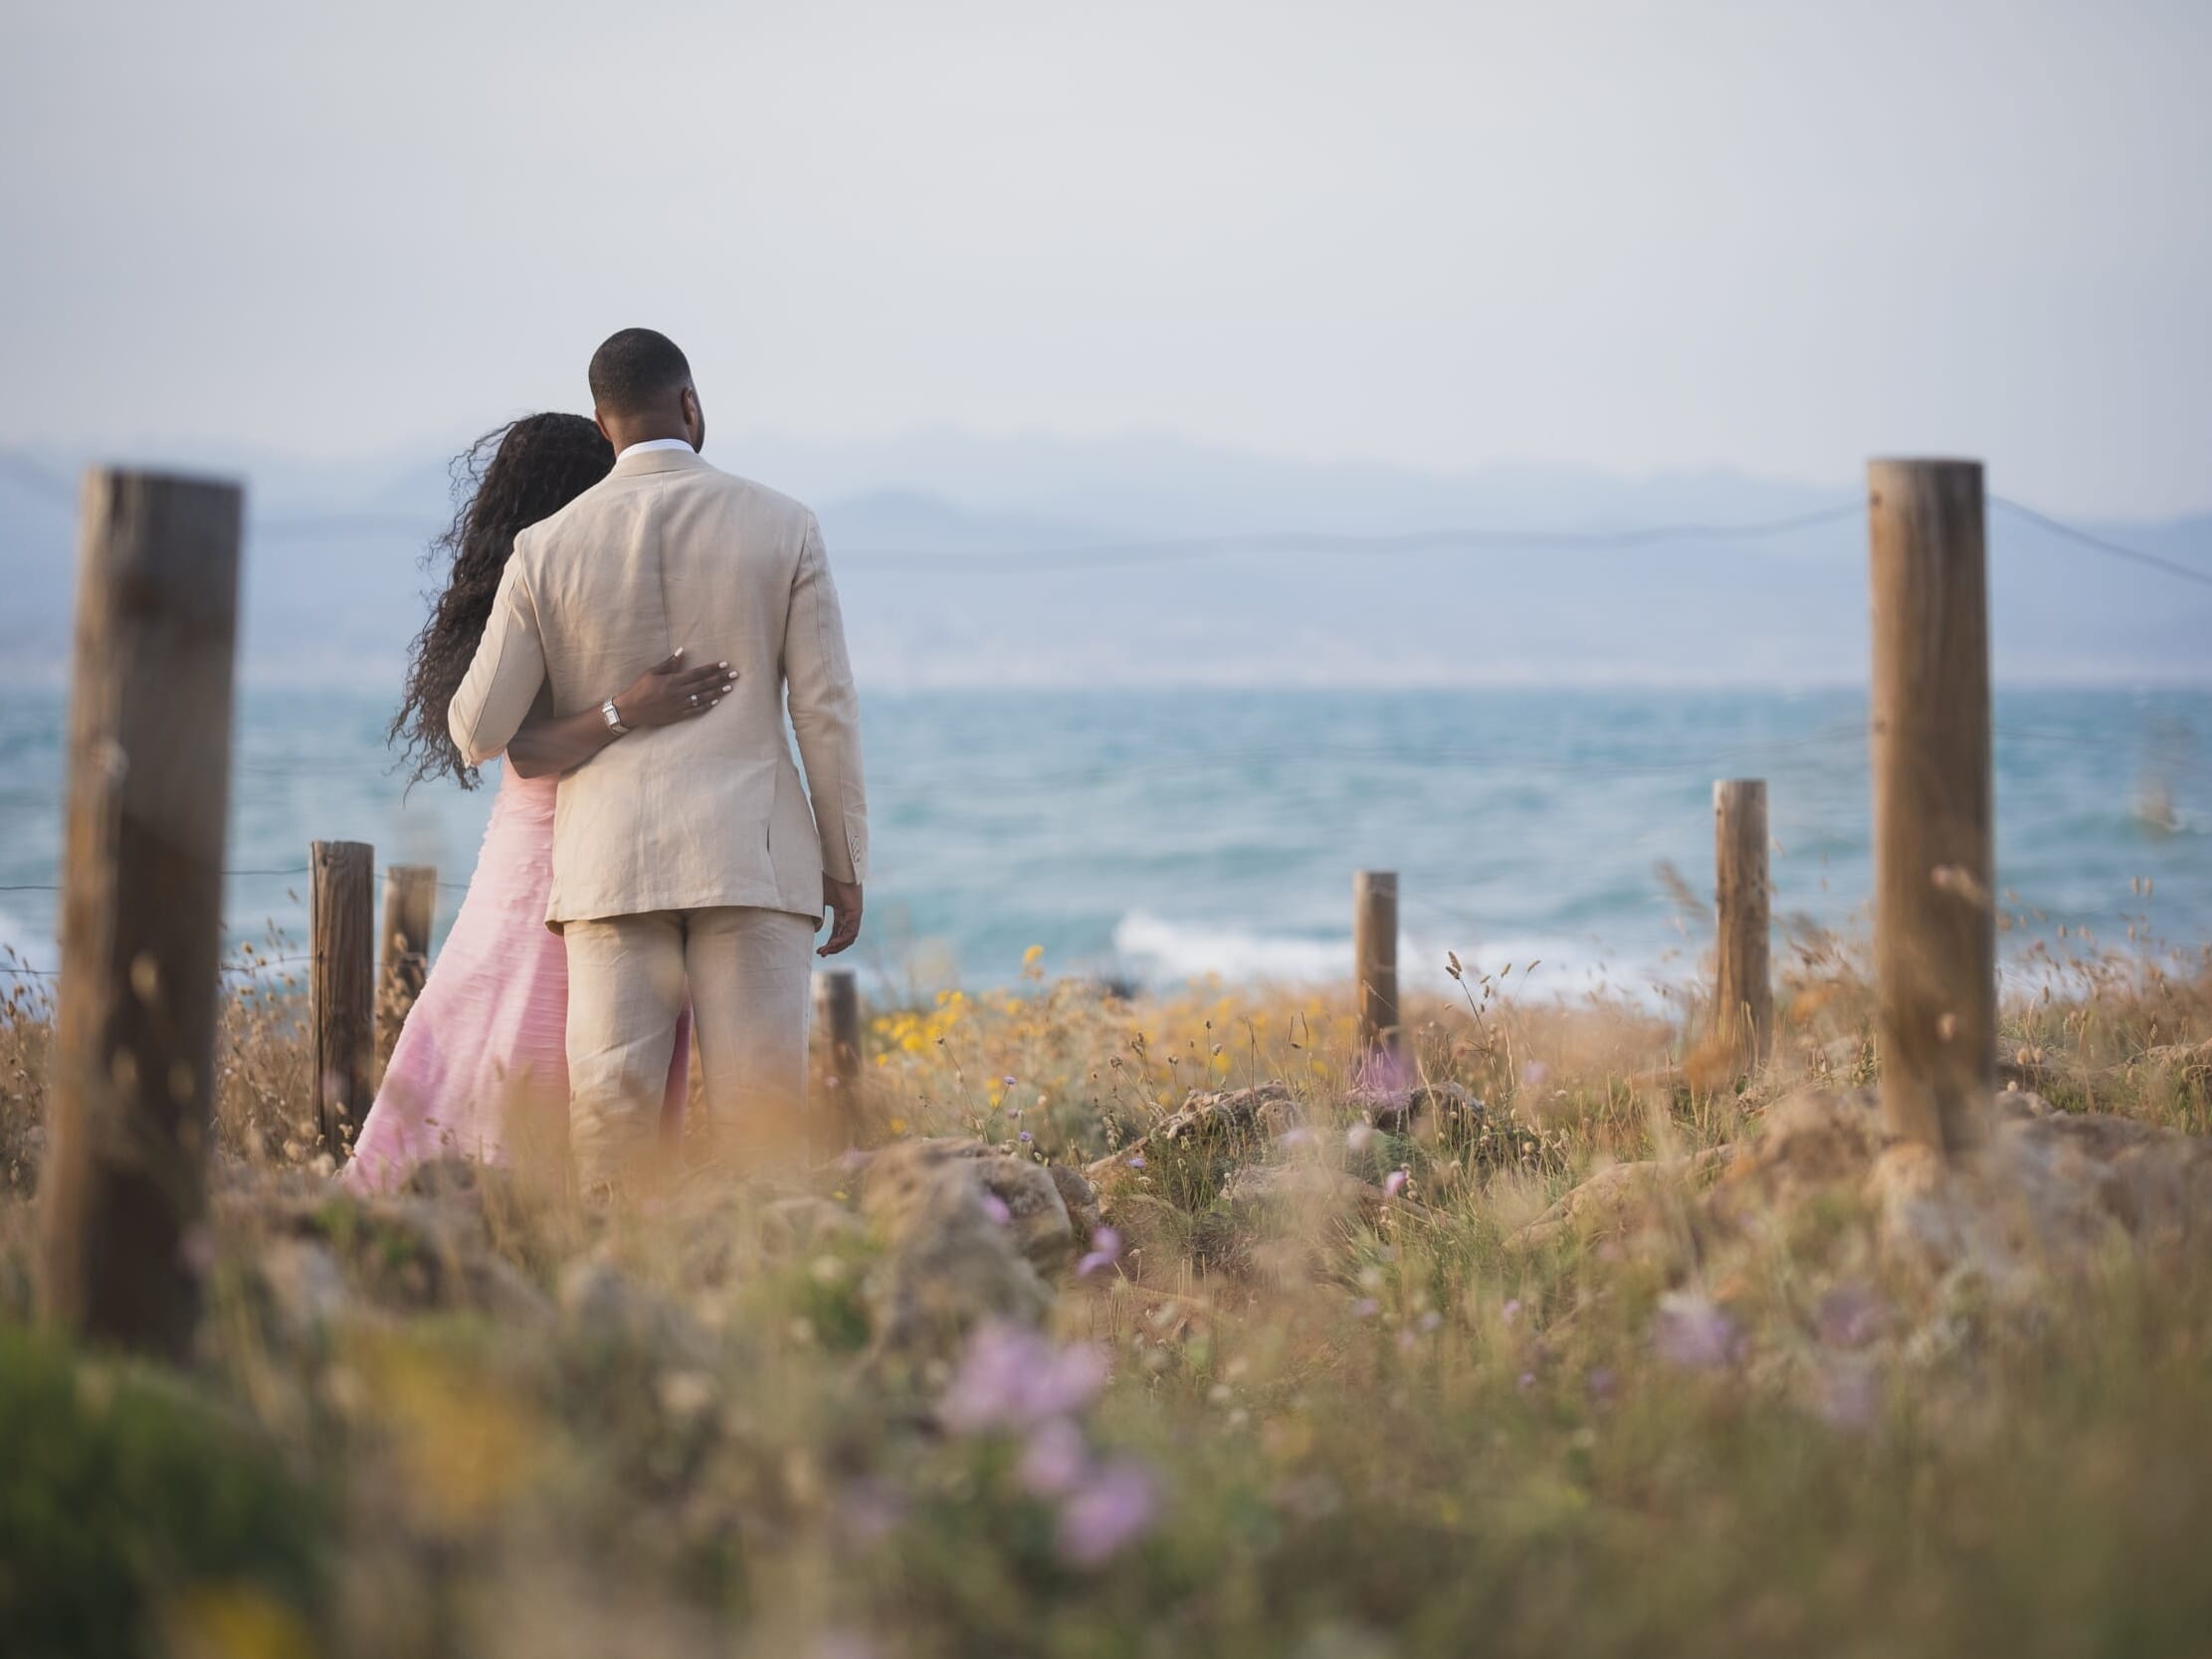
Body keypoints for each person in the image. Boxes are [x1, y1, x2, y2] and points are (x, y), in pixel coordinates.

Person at [447, 328, 869, 1188]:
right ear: (690, 404)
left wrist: (600, 707)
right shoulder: (784, 525)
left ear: (604, 427)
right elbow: (823, 712)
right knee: (762, 1137)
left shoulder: (545, 547)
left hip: (611, 866)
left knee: (611, 1135)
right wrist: (845, 862)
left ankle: (621, 1308)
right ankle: (764, 1313)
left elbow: (476, 729)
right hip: (749, 858)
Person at [342, 413, 730, 1191]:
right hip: (546, 864)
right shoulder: (549, 580)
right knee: (531, 1038)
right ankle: (507, 1214)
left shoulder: (583, 577)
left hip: (594, 856)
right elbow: (523, 744)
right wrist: (630, 708)